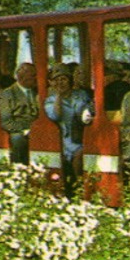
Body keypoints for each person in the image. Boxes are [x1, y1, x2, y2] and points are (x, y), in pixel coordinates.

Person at [43, 68, 94, 196]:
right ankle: (74, 188)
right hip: (63, 139)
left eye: (64, 79)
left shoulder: (81, 95)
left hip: (81, 135)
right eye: (57, 80)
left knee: (82, 152)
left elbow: (89, 108)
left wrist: (88, 111)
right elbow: (55, 116)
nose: (61, 83)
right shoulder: (50, 100)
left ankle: (81, 186)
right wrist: (59, 96)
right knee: (76, 154)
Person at [0, 61, 39, 165]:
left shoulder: (38, 92)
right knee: (17, 139)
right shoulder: (7, 94)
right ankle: (19, 170)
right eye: (33, 75)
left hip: (38, 127)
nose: (36, 78)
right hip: (19, 131)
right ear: (21, 77)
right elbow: (6, 122)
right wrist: (26, 129)